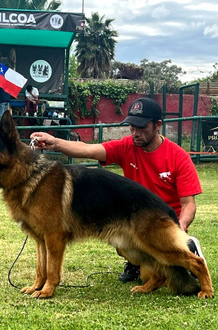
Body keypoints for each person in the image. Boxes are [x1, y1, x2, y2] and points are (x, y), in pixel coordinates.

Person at [30, 97, 205, 283]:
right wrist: (54, 142)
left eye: (142, 127)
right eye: (132, 127)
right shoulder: (127, 146)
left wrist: (181, 226)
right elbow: (87, 150)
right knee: (123, 243)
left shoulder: (178, 156)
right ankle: (137, 262)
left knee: (166, 265)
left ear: (157, 125)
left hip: (163, 223)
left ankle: (186, 245)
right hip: (134, 218)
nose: (135, 133)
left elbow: (188, 205)